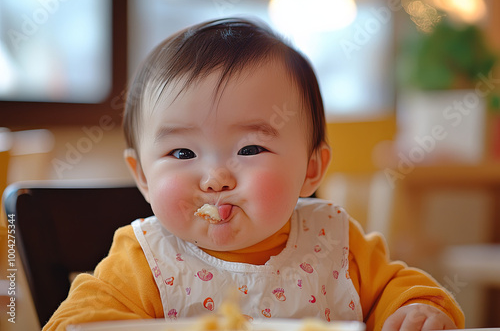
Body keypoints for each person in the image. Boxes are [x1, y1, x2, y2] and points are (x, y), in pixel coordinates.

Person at [43, 18, 464, 331]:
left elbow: (405, 290)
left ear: (311, 169)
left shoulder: (336, 245)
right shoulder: (145, 260)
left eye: (249, 148)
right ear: (143, 177)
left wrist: (418, 311)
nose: (215, 179)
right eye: (182, 151)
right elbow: (75, 324)